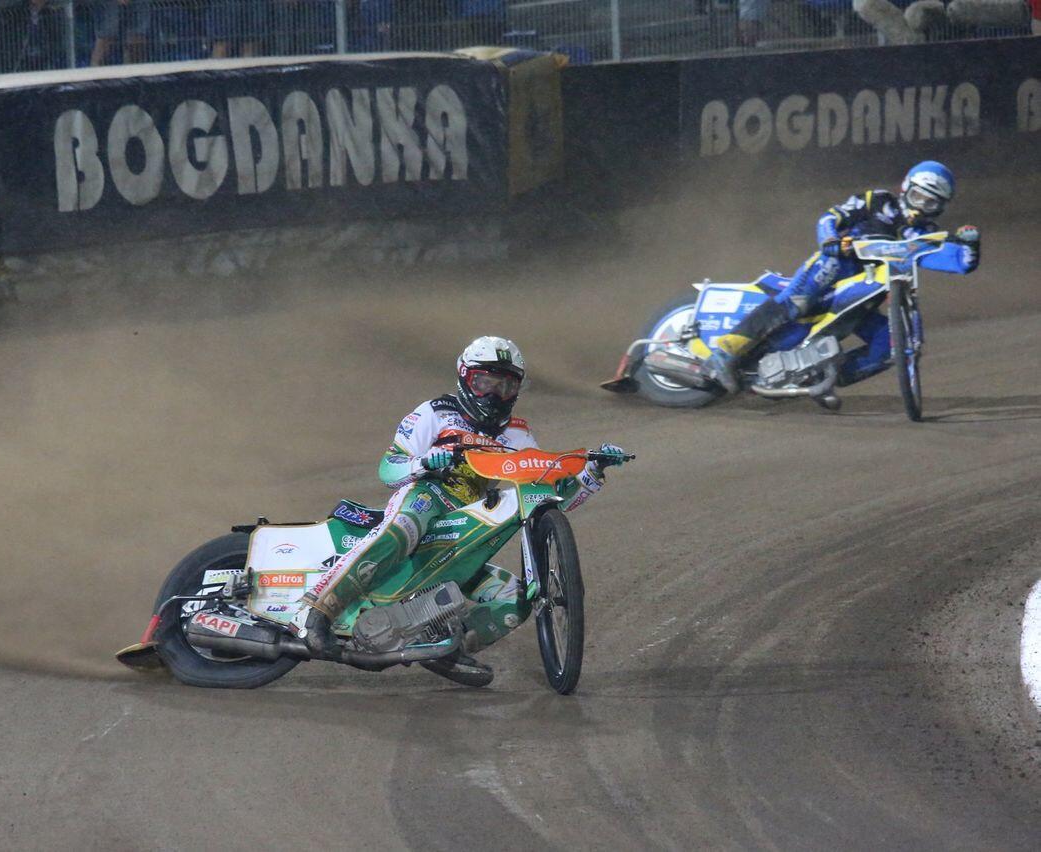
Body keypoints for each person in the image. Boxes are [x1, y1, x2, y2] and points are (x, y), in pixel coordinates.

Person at [291, 335, 630, 682]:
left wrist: (592, 472)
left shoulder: (518, 435)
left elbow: (543, 498)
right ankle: (316, 612)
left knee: (515, 598)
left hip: (469, 520)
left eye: (505, 386)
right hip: (426, 496)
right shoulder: (434, 412)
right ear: (465, 378)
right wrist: (424, 463)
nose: (494, 395)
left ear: (516, 391)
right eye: (484, 383)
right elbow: (388, 468)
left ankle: (445, 648)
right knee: (401, 529)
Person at [705, 160, 981, 394]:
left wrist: (970, 245)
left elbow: (958, 262)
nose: (920, 207)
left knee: (889, 344)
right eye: (918, 197)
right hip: (837, 264)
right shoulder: (878, 200)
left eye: (930, 203)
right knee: (796, 302)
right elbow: (832, 216)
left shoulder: (924, 235)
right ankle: (725, 352)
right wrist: (830, 239)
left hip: (865, 295)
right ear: (906, 188)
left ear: (940, 208)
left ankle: (821, 378)